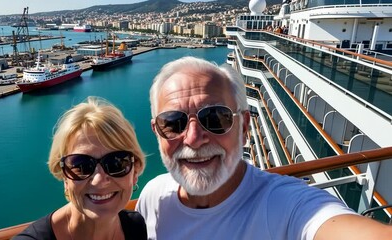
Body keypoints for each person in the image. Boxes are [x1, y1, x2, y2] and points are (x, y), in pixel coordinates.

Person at [136, 56, 392, 239]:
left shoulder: (284, 205)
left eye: (215, 118)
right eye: (172, 123)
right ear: (157, 132)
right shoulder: (153, 197)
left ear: (244, 127)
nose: (193, 138)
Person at [14, 96, 147, 240]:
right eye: (82, 166)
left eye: (116, 164)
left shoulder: (137, 227)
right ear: (65, 177)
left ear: (135, 172)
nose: (99, 180)